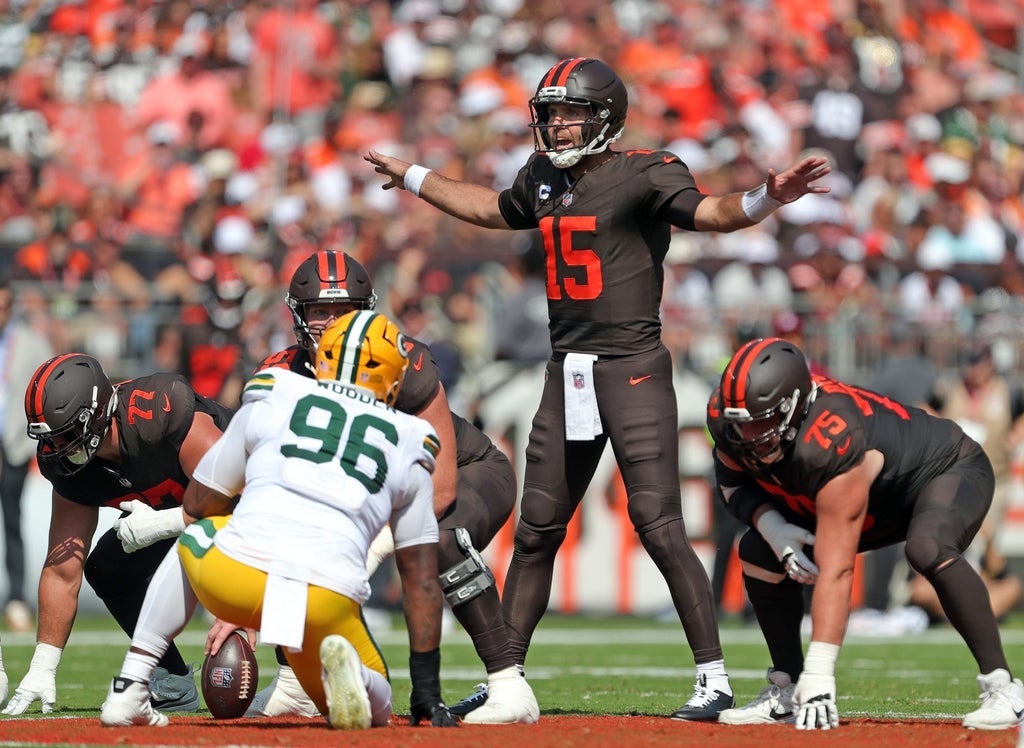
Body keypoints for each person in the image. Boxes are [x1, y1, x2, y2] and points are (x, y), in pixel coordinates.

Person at [365, 56, 831, 720]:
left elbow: (712, 213)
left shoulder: (646, 171)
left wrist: (767, 198)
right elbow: (492, 208)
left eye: (568, 112)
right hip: (567, 372)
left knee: (659, 525)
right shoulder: (542, 177)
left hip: (632, 367)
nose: (555, 125)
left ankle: (714, 679)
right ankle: (507, 681)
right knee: (536, 531)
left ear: (605, 117)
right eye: (549, 113)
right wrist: (415, 177)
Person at [99, 311, 458, 730]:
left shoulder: (276, 391)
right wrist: (427, 689)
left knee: (195, 538)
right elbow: (421, 579)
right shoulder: (410, 441)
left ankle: (132, 685)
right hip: (325, 597)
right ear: (394, 378)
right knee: (373, 705)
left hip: (236, 572)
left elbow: (199, 503)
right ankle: (360, 680)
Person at [246, 249, 538, 724]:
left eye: (344, 310)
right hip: (380, 490)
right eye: (320, 310)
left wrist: (375, 545)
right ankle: (295, 682)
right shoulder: (281, 374)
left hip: (467, 472)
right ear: (299, 315)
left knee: (441, 539)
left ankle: (508, 683)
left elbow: (441, 487)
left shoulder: (402, 360)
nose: (331, 322)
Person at [705, 336, 1024, 730]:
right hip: (880, 497)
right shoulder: (729, 420)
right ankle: (787, 688)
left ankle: (1003, 687)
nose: (748, 435)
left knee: (927, 547)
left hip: (946, 469)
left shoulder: (830, 438)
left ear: (794, 406)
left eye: (762, 420)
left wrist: (821, 674)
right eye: (741, 422)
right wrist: (774, 529)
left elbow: (837, 568)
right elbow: (733, 484)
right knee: (757, 549)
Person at [2, 353, 232, 715]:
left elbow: (240, 499)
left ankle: (293, 674)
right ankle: (173, 680)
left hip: (253, 511)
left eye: (66, 435)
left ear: (96, 414)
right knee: (107, 567)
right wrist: (43, 666)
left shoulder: (161, 412)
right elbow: (63, 569)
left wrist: (166, 523)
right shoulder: (67, 466)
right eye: (50, 439)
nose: (58, 449)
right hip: (181, 514)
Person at [0, 278, 54, 631]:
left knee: (12, 519)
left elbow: (49, 389)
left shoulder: (31, 343)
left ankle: (17, 597)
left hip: (13, 444)